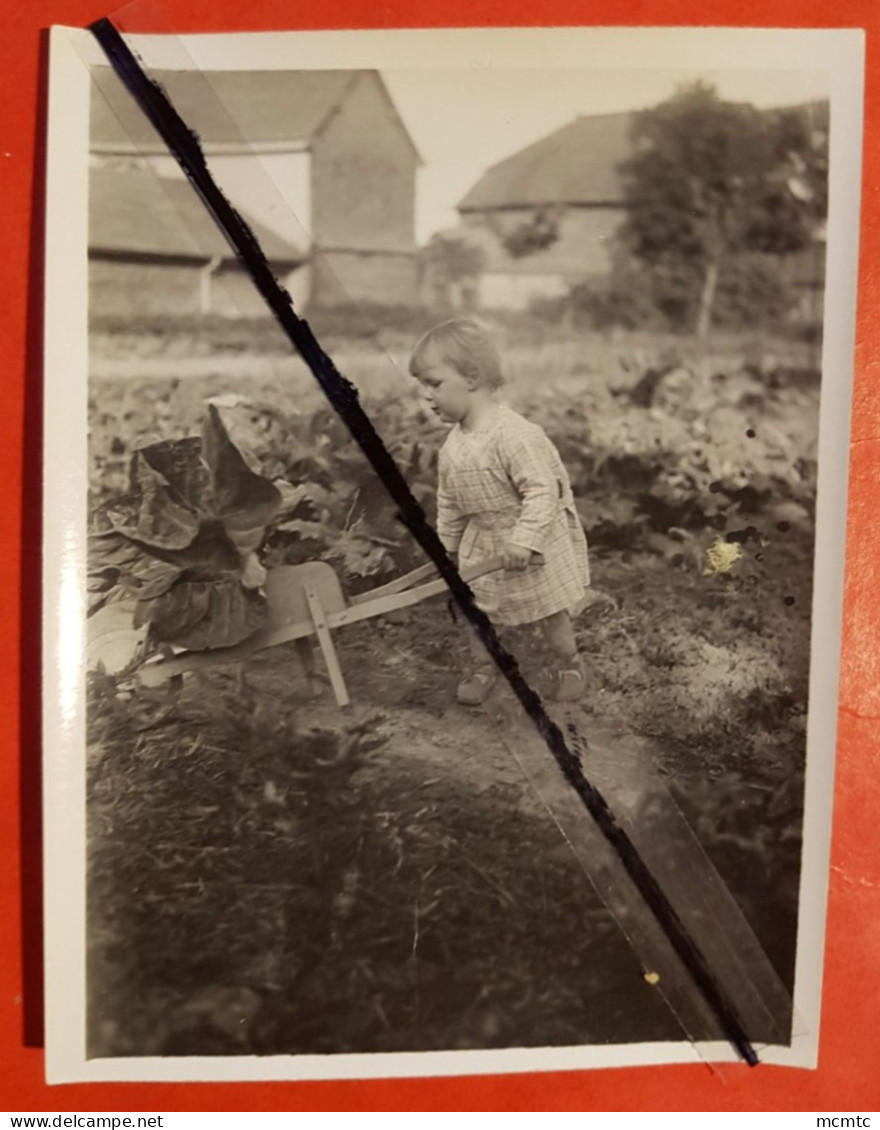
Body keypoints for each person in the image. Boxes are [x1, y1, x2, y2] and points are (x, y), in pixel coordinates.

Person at [409, 317, 591, 705]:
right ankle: (483, 665)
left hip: (531, 540)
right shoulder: (453, 447)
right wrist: (447, 548)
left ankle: (569, 662)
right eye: (423, 385)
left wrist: (524, 540)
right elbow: (451, 503)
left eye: (434, 384)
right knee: (477, 610)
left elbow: (543, 491)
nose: (426, 396)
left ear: (472, 378)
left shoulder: (513, 435)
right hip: (485, 543)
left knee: (550, 609)